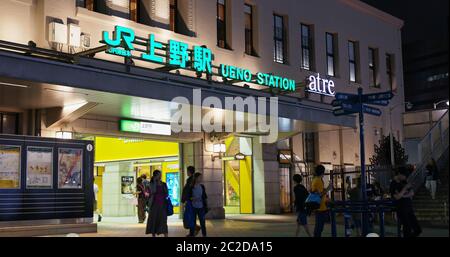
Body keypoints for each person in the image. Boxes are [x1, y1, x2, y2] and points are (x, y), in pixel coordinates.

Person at [389, 166, 422, 237]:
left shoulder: (404, 181)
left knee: (417, 229)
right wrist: (405, 189)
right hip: (401, 208)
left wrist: (403, 195)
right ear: (399, 174)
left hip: (409, 207)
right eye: (404, 176)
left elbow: (412, 193)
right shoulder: (393, 184)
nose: (405, 177)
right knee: (407, 228)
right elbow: (397, 197)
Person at [146, 170, 169, 237]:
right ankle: (154, 234)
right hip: (154, 205)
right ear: (155, 175)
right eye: (159, 174)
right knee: (154, 220)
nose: (160, 176)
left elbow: (167, 193)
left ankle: (165, 234)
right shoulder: (151, 184)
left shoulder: (164, 184)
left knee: (163, 221)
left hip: (163, 205)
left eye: (160, 174)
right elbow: (153, 191)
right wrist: (154, 182)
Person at [311, 165, 332, 237]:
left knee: (319, 228)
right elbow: (320, 194)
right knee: (319, 228)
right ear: (322, 172)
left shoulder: (315, 179)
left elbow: (318, 192)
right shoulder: (318, 181)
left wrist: (326, 198)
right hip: (320, 207)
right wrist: (329, 188)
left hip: (319, 206)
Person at [187, 172, 208, 237]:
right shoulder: (191, 186)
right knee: (193, 222)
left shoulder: (202, 186)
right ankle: (192, 234)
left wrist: (207, 205)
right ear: (196, 178)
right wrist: (192, 198)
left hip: (201, 207)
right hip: (193, 207)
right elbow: (188, 196)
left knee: (202, 222)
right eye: (199, 177)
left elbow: (205, 196)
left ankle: (204, 235)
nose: (201, 178)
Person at [181, 166, 200, 236]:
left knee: (190, 216)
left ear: (189, 171)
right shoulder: (191, 179)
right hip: (191, 201)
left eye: (187, 171)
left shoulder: (191, 180)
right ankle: (192, 231)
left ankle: (193, 231)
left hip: (190, 201)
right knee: (191, 216)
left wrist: (185, 199)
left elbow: (188, 191)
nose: (187, 172)